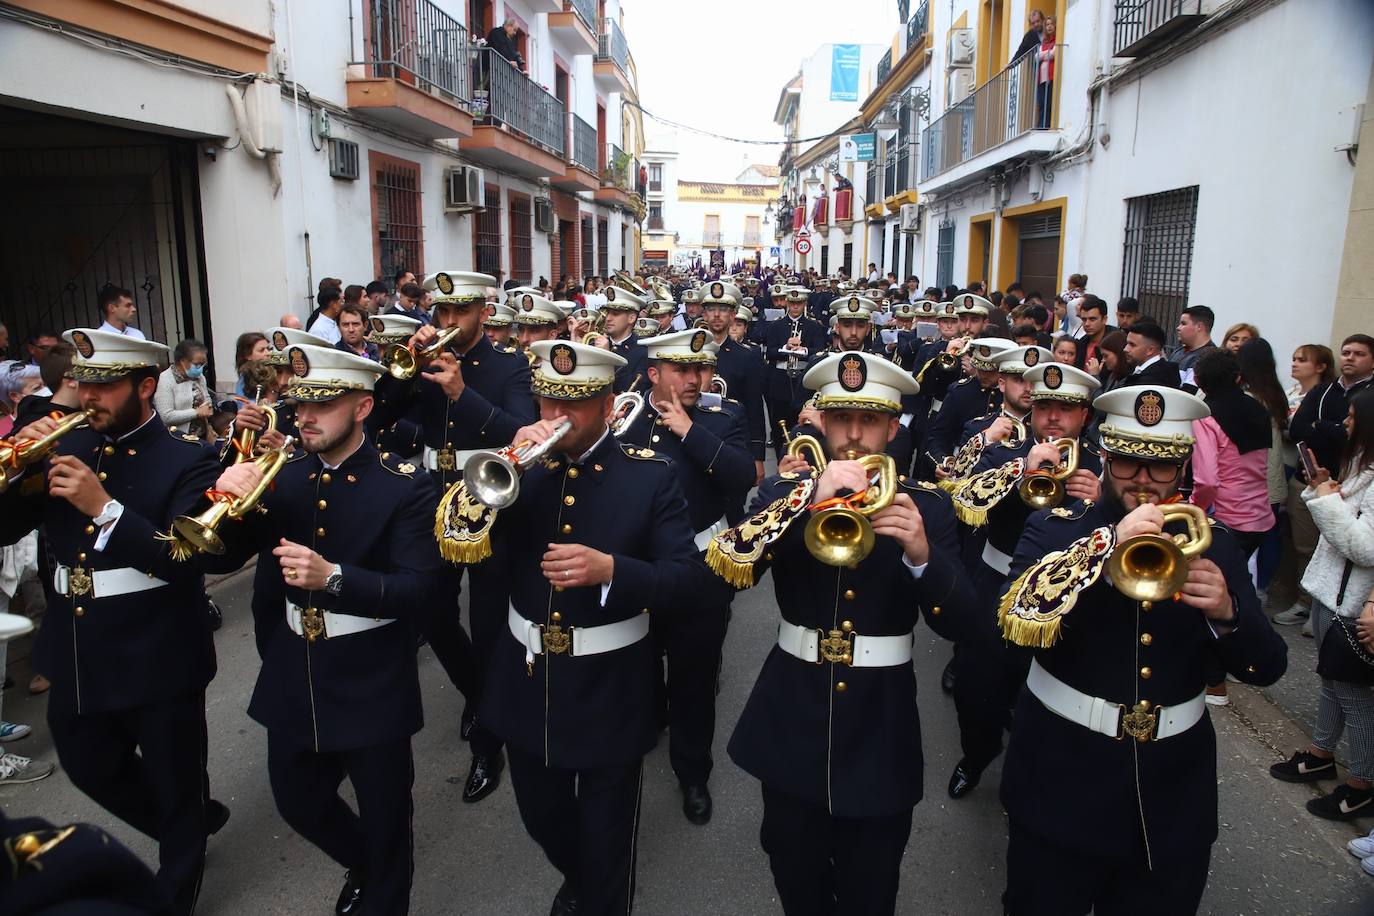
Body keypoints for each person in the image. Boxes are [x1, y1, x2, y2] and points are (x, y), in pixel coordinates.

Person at [434, 339, 704, 916]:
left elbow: (687, 580)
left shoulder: (650, 477)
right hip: (527, 679)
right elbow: (458, 541)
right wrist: (504, 460)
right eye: (546, 402)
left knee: (609, 848)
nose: (556, 417)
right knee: (542, 817)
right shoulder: (518, 469)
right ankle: (577, 876)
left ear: (608, 406)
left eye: (573, 404)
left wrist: (613, 571)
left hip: (613, 686)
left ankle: (596, 889)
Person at [997, 383, 1287, 915]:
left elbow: (1267, 667)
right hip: (1062, 774)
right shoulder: (1056, 528)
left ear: (1182, 469)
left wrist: (1228, 614)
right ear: (1106, 458)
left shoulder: (1214, 543)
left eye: (1161, 468)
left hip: (1171, 791)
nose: (1144, 482)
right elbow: (1013, 624)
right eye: (1129, 464)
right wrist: (1106, 552)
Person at [704, 349, 974, 916]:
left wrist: (924, 556)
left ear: (894, 427)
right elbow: (728, 574)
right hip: (791, 714)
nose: (853, 437)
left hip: (880, 723)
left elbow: (966, 624)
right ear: (819, 422)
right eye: (841, 420)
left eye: (870, 420)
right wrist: (803, 506)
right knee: (790, 862)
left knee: (871, 882)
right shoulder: (784, 496)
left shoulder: (927, 506)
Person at [0, 328, 226, 914]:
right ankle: (192, 825)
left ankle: (176, 880)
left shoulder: (190, 458)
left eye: (104, 386)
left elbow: (188, 559)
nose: (87, 397)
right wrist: (19, 463)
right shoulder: (65, 443)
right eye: (83, 383)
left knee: (176, 786)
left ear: (145, 387)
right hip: (76, 644)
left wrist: (104, 507)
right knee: (87, 765)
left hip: (157, 646)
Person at [206, 342, 436, 914]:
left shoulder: (405, 484)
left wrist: (335, 578)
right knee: (297, 799)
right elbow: (216, 558)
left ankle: (383, 888)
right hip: (295, 668)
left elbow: (419, 591)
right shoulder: (280, 475)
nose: (305, 416)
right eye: (300, 402)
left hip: (371, 675)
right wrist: (225, 491)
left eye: (324, 403)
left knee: (387, 819)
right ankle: (365, 864)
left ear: (361, 407)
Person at [371, 271, 535, 803]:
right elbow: (381, 415)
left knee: (488, 627)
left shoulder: (510, 365)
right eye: (441, 314)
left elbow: (519, 430)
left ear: (483, 314)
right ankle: (478, 695)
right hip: (428, 502)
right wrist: (403, 369)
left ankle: (488, 745)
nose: (446, 324)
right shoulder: (423, 359)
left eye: (458, 313)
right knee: (428, 612)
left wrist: (462, 393)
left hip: (489, 505)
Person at [617, 328, 754, 824]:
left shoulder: (724, 416)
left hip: (701, 565)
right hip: (638, 565)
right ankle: (650, 720)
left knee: (695, 676)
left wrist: (689, 430)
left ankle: (693, 772)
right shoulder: (625, 419)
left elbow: (744, 476)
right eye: (683, 370)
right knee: (641, 656)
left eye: (703, 369)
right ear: (654, 374)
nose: (697, 379)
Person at [1269, 390, 1374, 820]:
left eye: (1353, 417)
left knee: (1355, 696)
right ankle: (1320, 752)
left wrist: (1329, 498)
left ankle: (1363, 782)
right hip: (1331, 591)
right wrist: (1326, 489)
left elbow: (1364, 547)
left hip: (1353, 602)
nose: (1345, 423)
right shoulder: (1362, 466)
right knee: (1330, 682)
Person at [1272, 344, 1337, 626]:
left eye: (1303, 360)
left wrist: (1315, 428)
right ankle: (1304, 602)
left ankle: (1315, 605)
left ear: (1321, 366)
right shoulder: (1291, 393)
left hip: (1328, 476)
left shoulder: (1329, 395)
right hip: (1298, 473)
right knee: (1302, 544)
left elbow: (1330, 437)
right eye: (1294, 358)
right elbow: (1298, 430)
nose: (1295, 364)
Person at [1292, 334, 1374, 476]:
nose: (1350, 358)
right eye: (1345, 353)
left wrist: (1318, 424)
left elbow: (1356, 441)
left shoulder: (1370, 396)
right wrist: (1336, 432)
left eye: (1359, 354)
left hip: (1346, 483)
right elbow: (1297, 430)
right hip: (1306, 478)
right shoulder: (1321, 390)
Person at [153, 339, 213, 440]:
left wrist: (207, 406)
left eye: (203, 364)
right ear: (182, 361)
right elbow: (166, 416)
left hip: (202, 436)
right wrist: (196, 412)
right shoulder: (165, 380)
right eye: (197, 364)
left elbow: (207, 398)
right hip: (177, 438)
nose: (200, 368)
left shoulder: (199, 377)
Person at [1121, 320, 1181, 388]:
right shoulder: (1139, 372)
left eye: (1132, 345)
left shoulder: (1154, 381)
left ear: (1150, 350)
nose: (1125, 349)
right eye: (1127, 344)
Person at [1170, 305, 1218, 390]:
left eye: (1183, 323)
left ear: (1199, 327)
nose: (1178, 328)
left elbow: (1189, 395)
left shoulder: (1210, 357)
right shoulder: (1178, 352)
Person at [1034, 17, 1056, 130]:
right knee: (1042, 104)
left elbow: (1053, 54)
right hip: (1042, 78)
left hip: (1051, 77)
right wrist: (1046, 54)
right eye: (1047, 25)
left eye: (1051, 24)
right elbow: (1036, 57)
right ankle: (1041, 126)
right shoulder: (1045, 42)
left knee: (1048, 103)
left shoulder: (1057, 39)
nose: (1049, 26)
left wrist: (1043, 54)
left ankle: (1045, 126)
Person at [234, 332, 270, 397]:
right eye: (261, 350)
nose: (268, 353)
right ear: (247, 355)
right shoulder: (246, 377)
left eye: (268, 349)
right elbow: (244, 403)